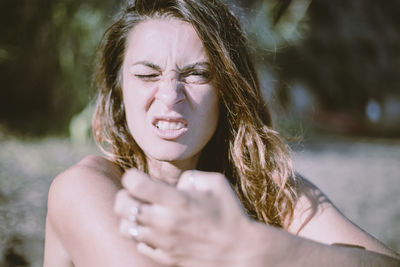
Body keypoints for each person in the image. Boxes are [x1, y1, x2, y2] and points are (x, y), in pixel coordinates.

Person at [43, 0, 400, 266]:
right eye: (147, 75)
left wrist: (252, 245)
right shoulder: (82, 188)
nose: (170, 96)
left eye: (197, 74)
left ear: (227, 91)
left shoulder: (264, 189)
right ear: (118, 89)